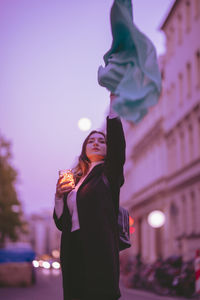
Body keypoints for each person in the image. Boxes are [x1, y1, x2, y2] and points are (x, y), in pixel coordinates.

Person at [53, 94, 126, 300]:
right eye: (91, 141)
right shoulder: (75, 181)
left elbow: (118, 147)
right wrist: (59, 197)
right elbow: (62, 223)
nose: (96, 143)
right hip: (73, 246)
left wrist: (114, 103)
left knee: (98, 294)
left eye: (101, 141)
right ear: (84, 149)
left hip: (98, 246)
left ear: (107, 148)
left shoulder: (109, 174)